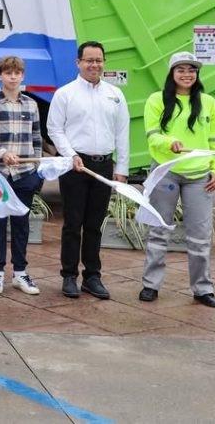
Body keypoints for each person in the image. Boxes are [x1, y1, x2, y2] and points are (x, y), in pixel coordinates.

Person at [139, 52, 215, 308]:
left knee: (200, 235)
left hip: (200, 176)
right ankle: (150, 285)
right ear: (171, 73)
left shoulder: (209, 103)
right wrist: (169, 143)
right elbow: (152, 136)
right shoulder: (157, 100)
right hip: (166, 171)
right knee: (159, 230)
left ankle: (203, 289)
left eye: (192, 70)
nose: (187, 74)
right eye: (181, 69)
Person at [47, 41, 129, 300]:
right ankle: (69, 275)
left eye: (99, 60)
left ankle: (92, 276)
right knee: (73, 223)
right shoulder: (65, 93)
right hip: (75, 166)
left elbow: (122, 132)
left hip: (104, 166)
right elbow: (55, 129)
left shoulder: (115, 94)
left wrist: (122, 168)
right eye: (89, 60)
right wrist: (70, 155)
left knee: (95, 224)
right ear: (78, 63)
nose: (95, 65)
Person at [0, 55, 43, 296]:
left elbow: (37, 138)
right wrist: (2, 152)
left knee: (21, 225)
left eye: (17, 73)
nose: (13, 77)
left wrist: (35, 167)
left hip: (25, 175)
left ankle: (19, 273)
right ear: (0, 76)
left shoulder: (31, 104)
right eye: (8, 73)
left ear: (22, 75)